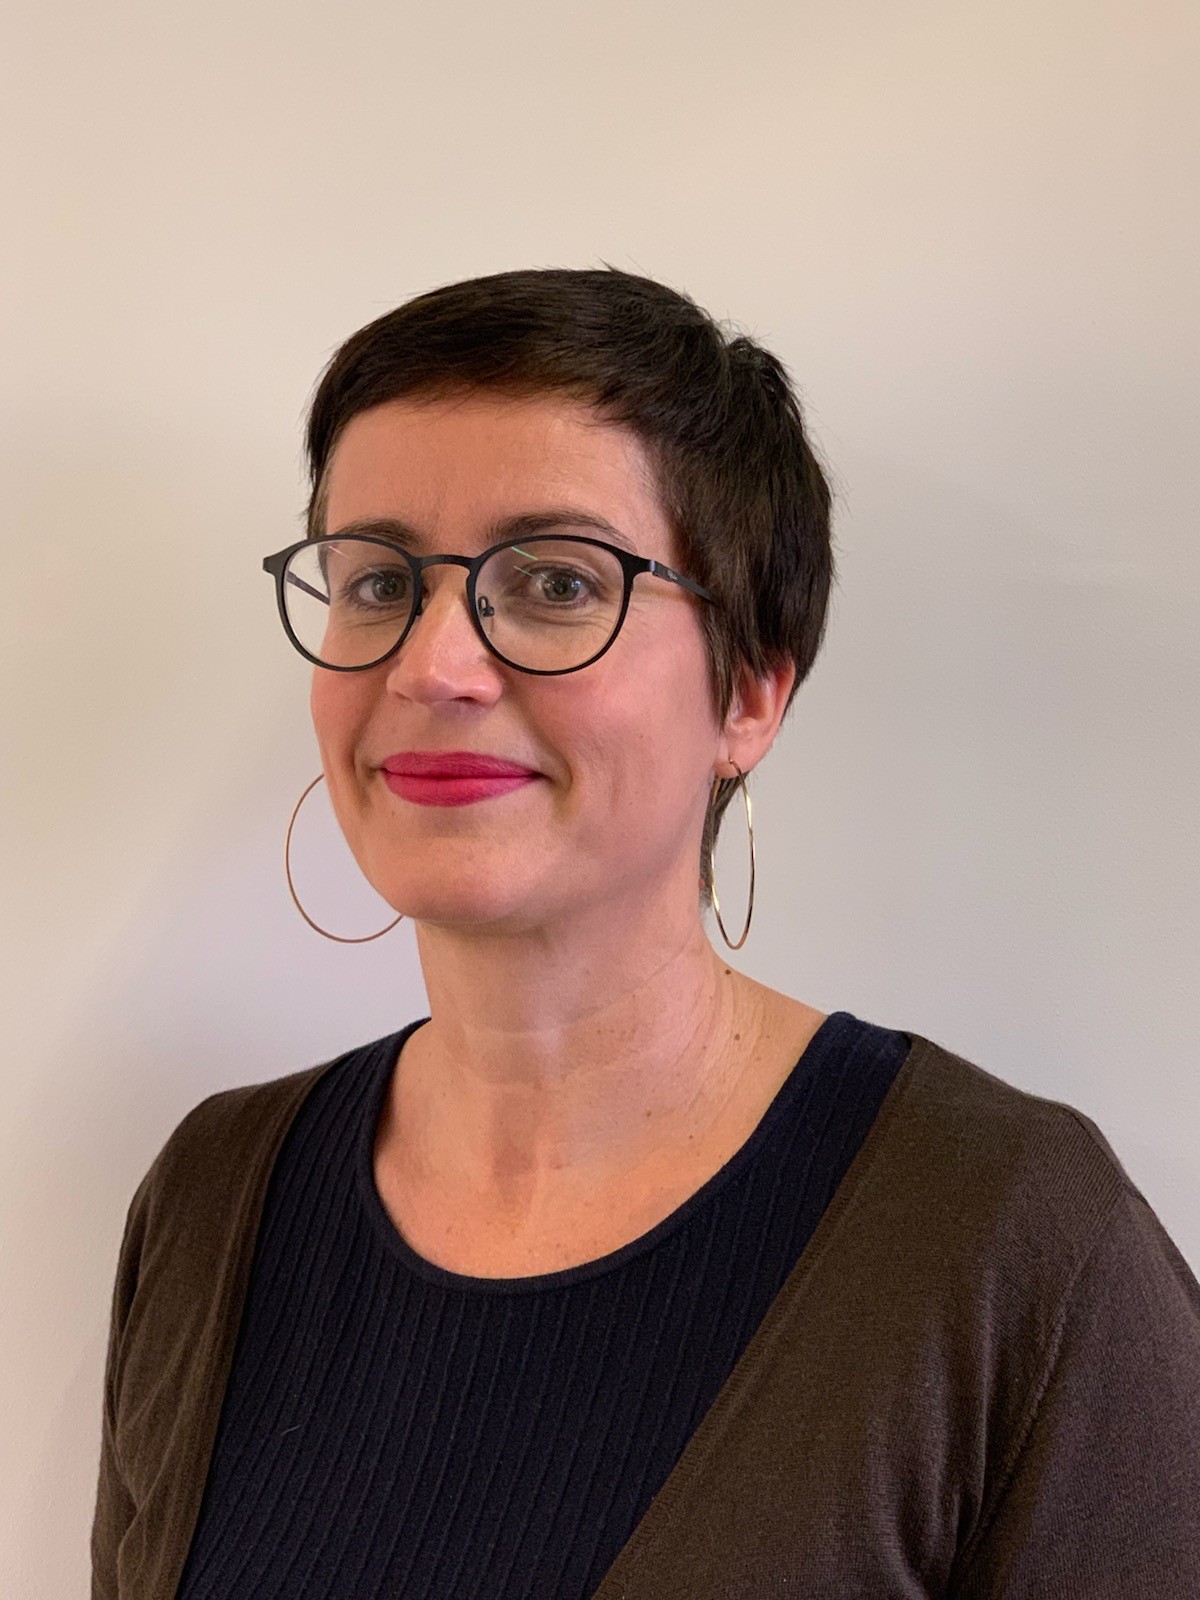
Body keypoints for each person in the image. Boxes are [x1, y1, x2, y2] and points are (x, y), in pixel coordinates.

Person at [91, 269, 1200, 1599]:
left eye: (558, 581)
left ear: (752, 691)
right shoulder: (214, 1197)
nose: (432, 665)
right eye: (378, 581)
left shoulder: (1012, 1243)